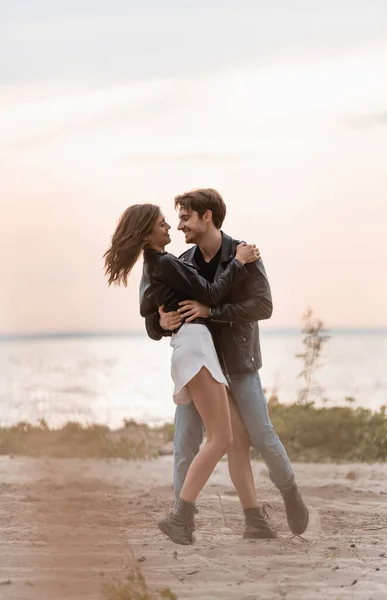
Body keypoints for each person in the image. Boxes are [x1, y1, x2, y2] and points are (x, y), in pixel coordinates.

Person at [104, 203, 275, 545]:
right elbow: (210, 294)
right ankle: (179, 516)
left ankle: (255, 520)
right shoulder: (165, 262)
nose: (170, 228)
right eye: (162, 224)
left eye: (171, 222)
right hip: (195, 348)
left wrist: (159, 322)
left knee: (237, 436)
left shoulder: (158, 266)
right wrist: (239, 262)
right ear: (147, 233)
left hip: (196, 347)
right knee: (221, 439)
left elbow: (148, 309)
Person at [145, 188, 309, 537]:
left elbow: (263, 307)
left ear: (207, 217)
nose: (179, 226)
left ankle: (289, 493)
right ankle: (182, 517)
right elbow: (155, 314)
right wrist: (161, 322)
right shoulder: (183, 261)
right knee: (185, 442)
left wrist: (213, 312)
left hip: (238, 363)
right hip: (202, 368)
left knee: (260, 437)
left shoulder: (244, 254)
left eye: (186, 217)